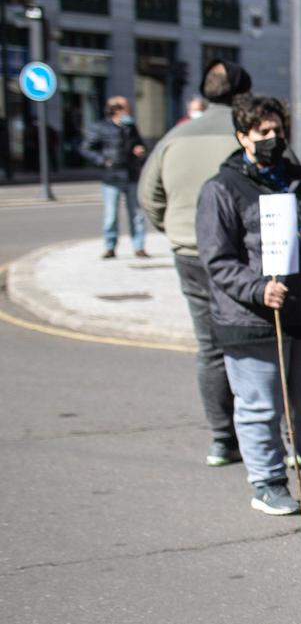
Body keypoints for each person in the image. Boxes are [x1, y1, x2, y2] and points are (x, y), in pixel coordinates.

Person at [194, 96, 301, 515]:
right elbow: (218, 259)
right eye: (261, 132)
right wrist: (256, 289)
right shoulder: (221, 188)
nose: (272, 138)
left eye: (276, 130)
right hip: (251, 318)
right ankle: (267, 482)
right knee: (261, 404)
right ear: (241, 137)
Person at [139, 61, 252, 466]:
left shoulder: (175, 136)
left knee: (209, 346)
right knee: (259, 344)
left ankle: (222, 438)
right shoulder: (249, 133)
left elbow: (148, 196)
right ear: (242, 93)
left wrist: (178, 230)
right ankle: (266, 434)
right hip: (242, 255)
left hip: (189, 252)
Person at [84, 96, 149, 258]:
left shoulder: (131, 127)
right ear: (117, 110)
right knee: (111, 215)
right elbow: (86, 148)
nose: (129, 111)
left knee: (136, 214)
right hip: (111, 176)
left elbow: (140, 145)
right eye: (126, 108)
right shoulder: (101, 128)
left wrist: (140, 152)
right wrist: (103, 161)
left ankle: (139, 246)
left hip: (131, 174)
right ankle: (110, 246)